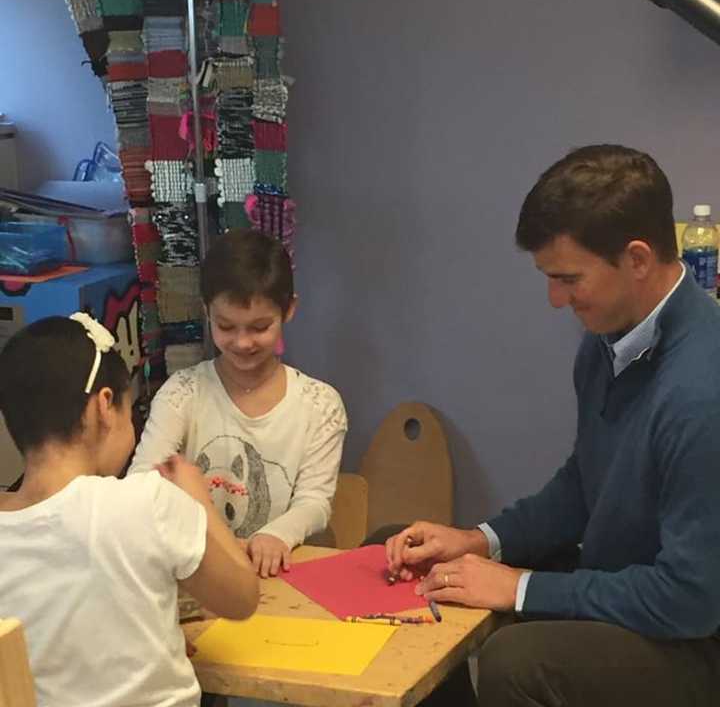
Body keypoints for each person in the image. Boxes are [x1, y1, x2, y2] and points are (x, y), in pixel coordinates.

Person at [386, 145, 720, 706]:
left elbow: (689, 598)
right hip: (627, 582)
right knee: (405, 562)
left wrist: (520, 586)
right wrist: (479, 541)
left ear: (637, 259)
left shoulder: (701, 392)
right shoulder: (607, 343)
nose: (554, 299)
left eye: (569, 279)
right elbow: (583, 484)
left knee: (515, 662)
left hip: (696, 638)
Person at [0, 314, 259, 707]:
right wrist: (200, 503)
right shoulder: (147, 501)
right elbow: (242, 598)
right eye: (130, 407)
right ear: (104, 406)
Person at [130, 229, 348, 578]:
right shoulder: (182, 394)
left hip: (279, 576)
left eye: (260, 327)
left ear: (289, 309)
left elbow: (315, 502)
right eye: (226, 326)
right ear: (206, 312)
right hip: (196, 575)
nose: (243, 342)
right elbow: (142, 481)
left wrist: (276, 535)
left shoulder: (320, 406)